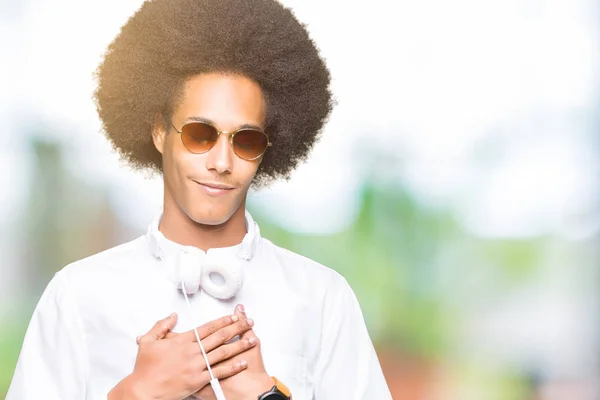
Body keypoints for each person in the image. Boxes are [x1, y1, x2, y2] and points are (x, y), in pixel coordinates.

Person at [7, 0, 392, 399]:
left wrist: (264, 397)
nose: (222, 162)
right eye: (199, 134)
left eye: (245, 140)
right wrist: (133, 395)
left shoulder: (321, 298)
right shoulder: (78, 295)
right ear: (159, 131)